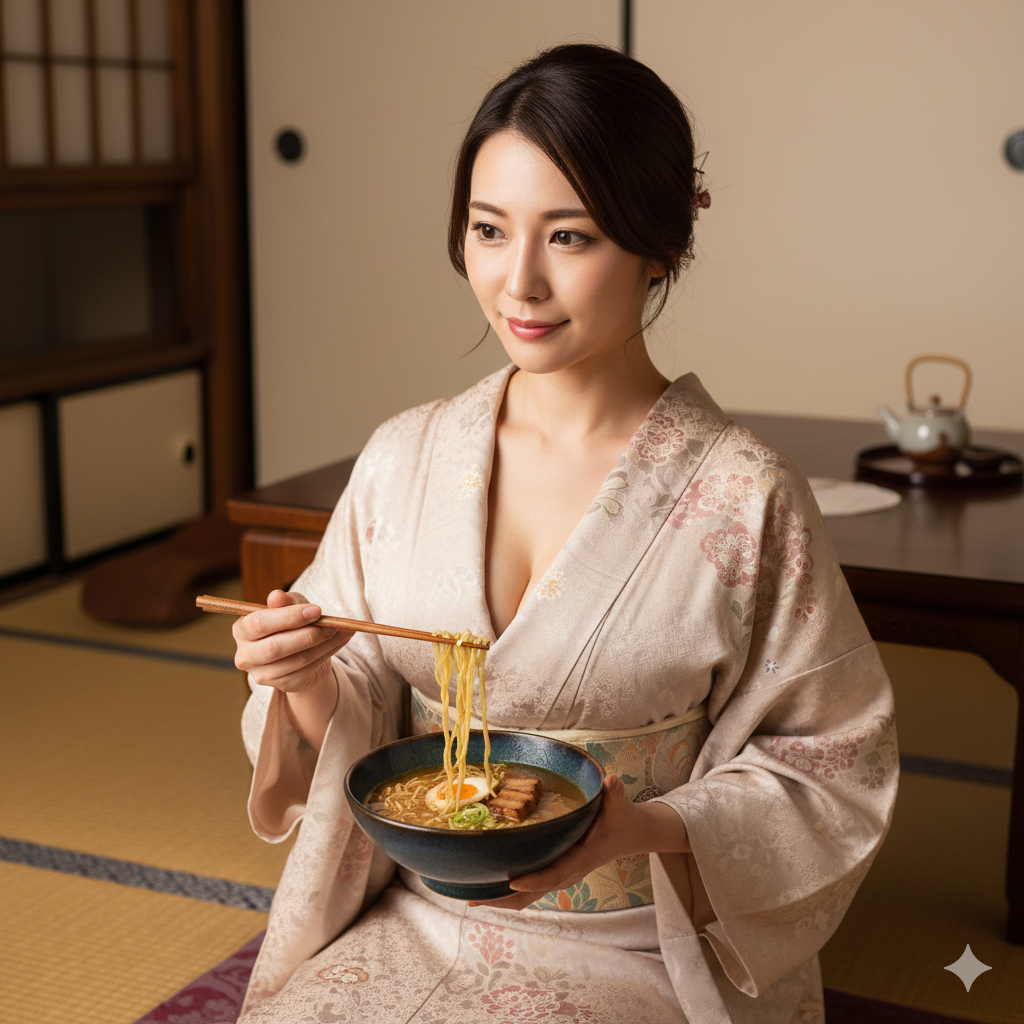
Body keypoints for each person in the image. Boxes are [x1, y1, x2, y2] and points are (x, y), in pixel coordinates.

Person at [233, 44, 897, 1023]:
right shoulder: (403, 455)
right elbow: (364, 694)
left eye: (571, 237)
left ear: (657, 244)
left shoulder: (743, 494)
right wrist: (301, 681)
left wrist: (646, 826)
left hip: (638, 938)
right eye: (489, 229)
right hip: (417, 910)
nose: (519, 283)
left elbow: (832, 760)